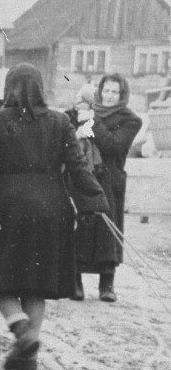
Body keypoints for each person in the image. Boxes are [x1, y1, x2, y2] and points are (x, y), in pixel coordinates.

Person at [0, 63, 108, 370]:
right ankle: (27, 357)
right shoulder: (60, 121)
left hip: (10, 208)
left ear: (8, 88)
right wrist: (95, 201)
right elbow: (79, 168)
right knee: (37, 283)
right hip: (54, 208)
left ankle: (21, 330)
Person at [66, 73, 142, 301]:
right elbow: (64, 136)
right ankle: (75, 281)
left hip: (110, 180)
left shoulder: (130, 120)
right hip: (83, 178)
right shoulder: (81, 111)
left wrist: (91, 121)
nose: (109, 96)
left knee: (108, 230)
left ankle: (106, 284)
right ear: (100, 91)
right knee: (81, 226)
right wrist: (76, 131)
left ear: (122, 95)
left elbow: (114, 145)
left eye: (114, 92)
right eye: (106, 91)